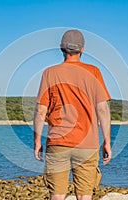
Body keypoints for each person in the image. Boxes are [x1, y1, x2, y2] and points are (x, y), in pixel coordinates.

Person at [33, 29, 112, 200]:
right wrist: (107, 141)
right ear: (82, 49)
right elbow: (103, 110)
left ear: (61, 49)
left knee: (57, 195)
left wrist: (37, 140)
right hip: (87, 144)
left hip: (58, 142)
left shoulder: (50, 73)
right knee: (85, 196)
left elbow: (41, 111)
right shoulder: (94, 72)